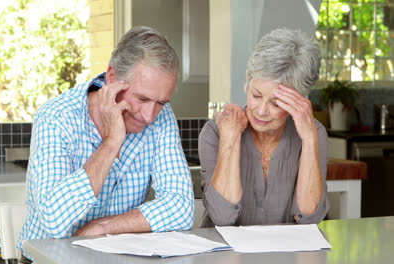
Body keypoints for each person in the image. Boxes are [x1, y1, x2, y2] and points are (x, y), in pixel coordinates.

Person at [17, 26, 194, 262]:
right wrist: (111, 143)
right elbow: (55, 221)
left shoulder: (162, 118)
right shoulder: (56, 117)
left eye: (160, 102)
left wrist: (103, 227)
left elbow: (181, 207)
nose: (150, 116)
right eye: (142, 99)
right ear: (112, 79)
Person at [199, 28, 329, 227]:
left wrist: (310, 139)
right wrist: (230, 139)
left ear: (299, 101)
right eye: (256, 95)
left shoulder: (313, 133)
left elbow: (310, 218)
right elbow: (222, 217)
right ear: (247, 85)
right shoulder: (215, 132)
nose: (261, 111)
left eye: (276, 104)